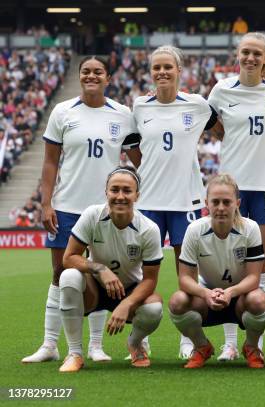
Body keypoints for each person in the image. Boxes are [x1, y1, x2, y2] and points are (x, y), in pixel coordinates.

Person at [22, 56, 140, 364]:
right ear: (80, 76)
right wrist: (46, 203)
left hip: (107, 210)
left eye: (97, 71)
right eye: (85, 71)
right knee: (60, 273)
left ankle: (96, 346)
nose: (91, 75)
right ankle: (50, 345)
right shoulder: (62, 111)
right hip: (67, 206)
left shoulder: (123, 114)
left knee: (101, 274)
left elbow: (140, 159)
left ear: (108, 78)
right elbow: (50, 162)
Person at [207, 32, 265, 361]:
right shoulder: (221, 90)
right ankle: (231, 342)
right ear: (237, 55)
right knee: (230, 265)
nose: (250, 58)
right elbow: (214, 126)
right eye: (245, 52)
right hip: (232, 190)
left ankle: (256, 340)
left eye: (257, 53)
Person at [131, 45, 223, 359]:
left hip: (185, 200)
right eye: (156, 67)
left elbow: (225, 131)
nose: (162, 72)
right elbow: (134, 147)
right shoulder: (140, 106)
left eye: (167, 67)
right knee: (141, 275)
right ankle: (141, 338)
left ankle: (189, 335)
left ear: (179, 70)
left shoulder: (197, 104)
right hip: (149, 201)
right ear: (151, 72)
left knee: (188, 272)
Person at [58, 166, 164, 372]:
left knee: (154, 308)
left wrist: (127, 303)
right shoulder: (92, 215)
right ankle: (74, 354)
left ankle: (135, 343)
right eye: (114, 190)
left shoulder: (149, 229)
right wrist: (99, 268)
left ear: (137, 195)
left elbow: (150, 280)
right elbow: (69, 258)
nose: (120, 196)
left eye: (127, 190)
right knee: (69, 277)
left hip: (129, 290)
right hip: (95, 290)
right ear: (106, 192)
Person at [168, 174, 265, 369]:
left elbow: (254, 278)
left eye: (227, 202)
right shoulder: (194, 230)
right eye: (215, 202)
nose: (221, 207)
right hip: (208, 299)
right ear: (207, 203)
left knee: (259, 300)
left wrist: (230, 292)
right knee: (177, 301)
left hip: (241, 298)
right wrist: (206, 294)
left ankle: (251, 346)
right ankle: (202, 346)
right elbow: (184, 279)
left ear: (237, 203)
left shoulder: (251, 229)